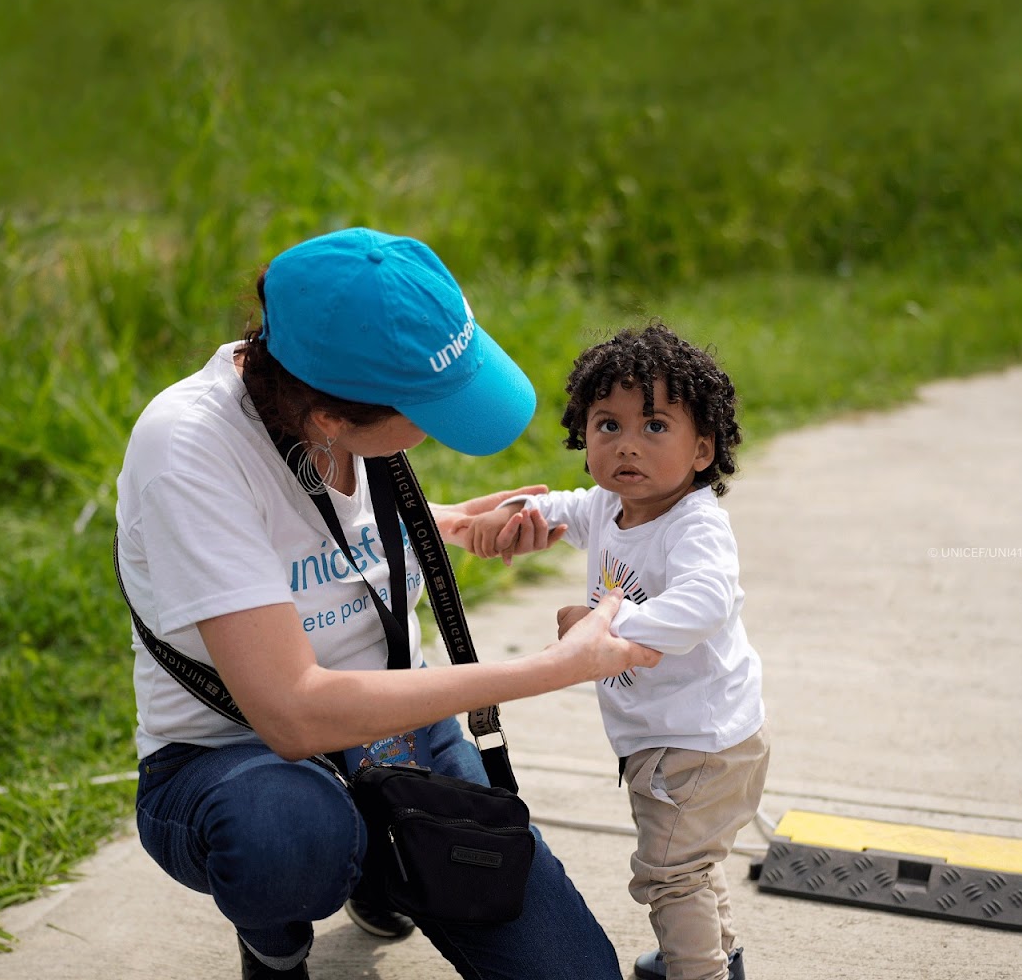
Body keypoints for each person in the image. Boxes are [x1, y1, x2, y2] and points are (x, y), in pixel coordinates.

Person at [114, 227, 661, 980]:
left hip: (401, 733)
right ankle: (278, 942)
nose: (438, 429)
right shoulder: (188, 453)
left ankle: (380, 863)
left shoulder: (327, 389)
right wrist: (551, 668)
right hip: (238, 758)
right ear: (331, 420)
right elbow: (294, 712)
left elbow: (314, 537)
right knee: (289, 838)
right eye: (430, 410)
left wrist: (455, 524)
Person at [468, 324, 769, 980]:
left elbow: (705, 603)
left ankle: (701, 971)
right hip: (672, 737)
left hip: (698, 745)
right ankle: (721, 953)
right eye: (608, 425)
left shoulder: (695, 527)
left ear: (703, 449)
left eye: (655, 427)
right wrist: (519, 516)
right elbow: (565, 510)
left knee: (670, 875)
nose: (627, 445)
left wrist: (610, 623)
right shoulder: (611, 504)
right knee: (690, 858)